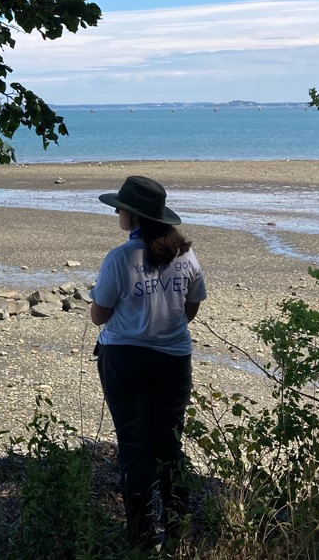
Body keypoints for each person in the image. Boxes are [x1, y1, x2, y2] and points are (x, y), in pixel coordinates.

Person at [89, 175, 206, 548]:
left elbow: (99, 315)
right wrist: (164, 327)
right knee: (169, 443)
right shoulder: (185, 255)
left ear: (134, 216)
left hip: (125, 359)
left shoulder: (121, 258)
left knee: (134, 445)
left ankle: (140, 536)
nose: (118, 213)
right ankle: (176, 531)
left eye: (121, 208)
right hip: (174, 359)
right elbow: (192, 306)